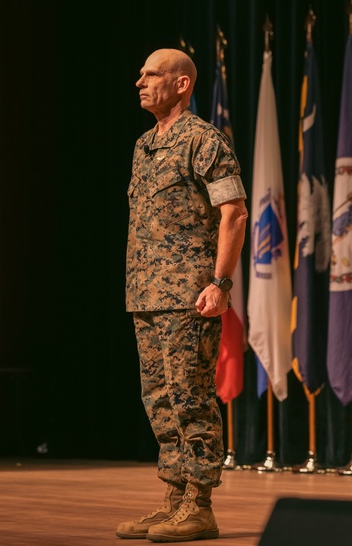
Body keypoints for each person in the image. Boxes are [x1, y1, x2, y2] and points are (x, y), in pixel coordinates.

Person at [117, 48, 248, 541]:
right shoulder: (144, 145)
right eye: (142, 72)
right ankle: (172, 500)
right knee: (158, 400)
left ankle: (200, 504)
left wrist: (220, 283)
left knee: (189, 397)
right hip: (146, 295)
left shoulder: (204, 140)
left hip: (190, 296)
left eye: (151, 74)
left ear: (181, 84)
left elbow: (233, 212)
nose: (140, 81)